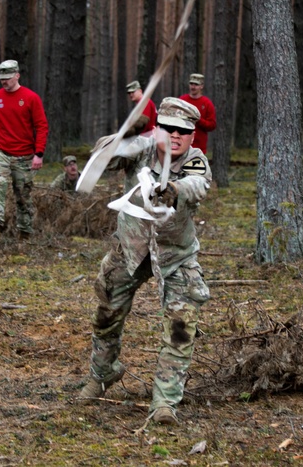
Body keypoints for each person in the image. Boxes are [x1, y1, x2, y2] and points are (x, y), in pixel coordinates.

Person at [78, 97, 212, 426]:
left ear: (192, 136)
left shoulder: (196, 161)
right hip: (130, 249)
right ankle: (102, 373)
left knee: (181, 329)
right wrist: (124, 134)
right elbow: (101, 159)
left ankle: (164, 402)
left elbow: (196, 186)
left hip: (176, 257)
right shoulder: (142, 147)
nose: (175, 135)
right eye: (168, 128)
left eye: (183, 131)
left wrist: (173, 188)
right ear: (157, 129)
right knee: (106, 313)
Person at [0, 59, 49, 250]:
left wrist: (39, 153)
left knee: (23, 196)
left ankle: (25, 234)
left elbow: (41, 126)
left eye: (8, 78)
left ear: (17, 75)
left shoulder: (30, 98)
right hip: (0, 152)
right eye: (2, 78)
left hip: (25, 155)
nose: (4, 81)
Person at [179, 73, 217, 154]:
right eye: (191, 84)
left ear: (201, 86)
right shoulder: (182, 100)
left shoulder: (207, 103)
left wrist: (198, 120)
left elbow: (212, 125)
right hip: (181, 146)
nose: (193, 87)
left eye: (196, 84)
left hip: (199, 148)